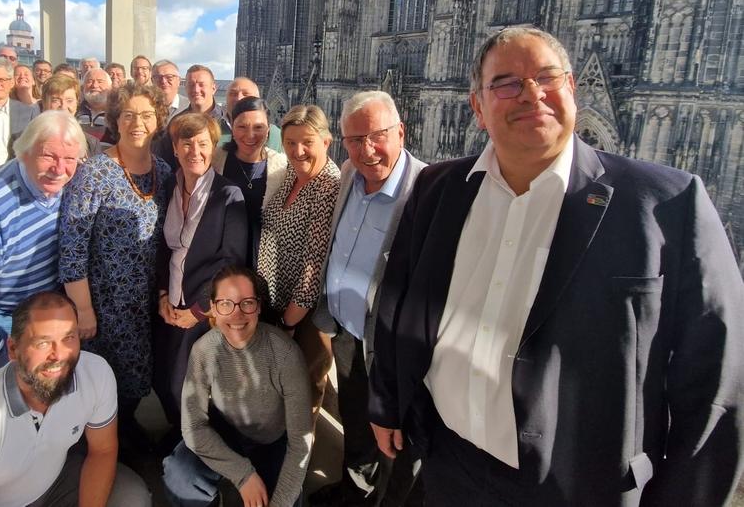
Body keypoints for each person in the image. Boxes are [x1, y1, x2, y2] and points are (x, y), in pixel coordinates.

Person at [368, 26, 744, 506]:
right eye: (507, 83)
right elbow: (398, 301)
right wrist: (387, 402)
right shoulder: (437, 188)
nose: (532, 94)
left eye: (547, 77)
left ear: (572, 88)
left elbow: (716, 385)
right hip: (448, 460)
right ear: (478, 107)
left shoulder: (667, 204)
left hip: (582, 486)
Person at [0, 292, 151, 507]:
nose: (58, 355)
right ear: (13, 349)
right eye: (43, 343)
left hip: (56, 483)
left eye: (68, 338)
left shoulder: (95, 374)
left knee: (131, 497)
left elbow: (102, 450)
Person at [310, 91, 426, 507]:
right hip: (347, 333)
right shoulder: (348, 173)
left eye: (377, 136)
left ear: (401, 132)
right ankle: (354, 493)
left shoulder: (426, 190)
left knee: (399, 441)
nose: (367, 149)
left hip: (394, 349)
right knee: (356, 421)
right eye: (355, 140)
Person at [58, 82, 173, 450]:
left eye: (147, 115)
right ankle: (102, 446)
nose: (138, 123)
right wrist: (83, 310)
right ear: (115, 120)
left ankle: (124, 432)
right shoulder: (94, 173)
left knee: (137, 379)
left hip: (147, 303)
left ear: (159, 120)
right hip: (104, 305)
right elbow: (72, 248)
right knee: (102, 382)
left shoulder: (165, 172)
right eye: (128, 115)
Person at [0, 111, 86, 374]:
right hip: (9, 324)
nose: (59, 169)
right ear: (24, 152)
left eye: (69, 159)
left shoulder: (72, 184)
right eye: (49, 156)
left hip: (56, 314)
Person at [162, 266, 312, 507]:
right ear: (213, 308)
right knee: (179, 475)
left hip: (271, 442)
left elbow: (300, 443)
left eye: (247, 303)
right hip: (225, 432)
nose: (236, 314)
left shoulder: (286, 354)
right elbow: (192, 427)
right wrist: (243, 475)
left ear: (259, 306)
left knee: (287, 498)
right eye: (225, 304)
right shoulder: (203, 350)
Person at [153, 111, 247, 430]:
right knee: (161, 380)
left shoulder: (228, 194)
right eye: (187, 143)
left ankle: (194, 447)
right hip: (170, 305)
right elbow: (163, 248)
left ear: (213, 148)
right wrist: (162, 295)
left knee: (185, 388)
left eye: (203, 144)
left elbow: (231, 262)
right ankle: (178, 439)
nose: (195, 151)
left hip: (201, 309)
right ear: (175, 148)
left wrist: (198, 310)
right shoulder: (169, 186)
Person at [258, 105, 340, 416]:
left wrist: (287, 323)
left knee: (301, 391)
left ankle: (300, 446)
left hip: (305, 316)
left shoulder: (328, 186)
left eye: (307, 142)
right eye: (290, 142)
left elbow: (313, 267)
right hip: (277, 302)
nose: (298, 151)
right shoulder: (294, 173)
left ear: (326, 141)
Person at [212, 96, 287, 268]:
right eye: (242, 127)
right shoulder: (215, 160)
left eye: (258, 127)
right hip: (222, 261)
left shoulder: (282, 166)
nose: (250, 135)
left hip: (264, 263)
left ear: (268, 129)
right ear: (232, 127)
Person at [40, 73, 99, 158]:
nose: (63, 107)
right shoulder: (28, 139)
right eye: (56, 100)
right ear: (44, 103)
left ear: (77, 102)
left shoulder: (91, 143)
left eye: (69, 100)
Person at [220, 76, 282, 152]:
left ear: (257, 99)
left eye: (245, 94)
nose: (238, 98)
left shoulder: (276, 135)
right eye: (233, 94)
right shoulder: (212, 130)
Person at [78, 68, 116, 145]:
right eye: (90, 81)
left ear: (110, 87)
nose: (95, 85)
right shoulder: (75, 111)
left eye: (100, 81)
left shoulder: (117, 113)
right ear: (82, 87)